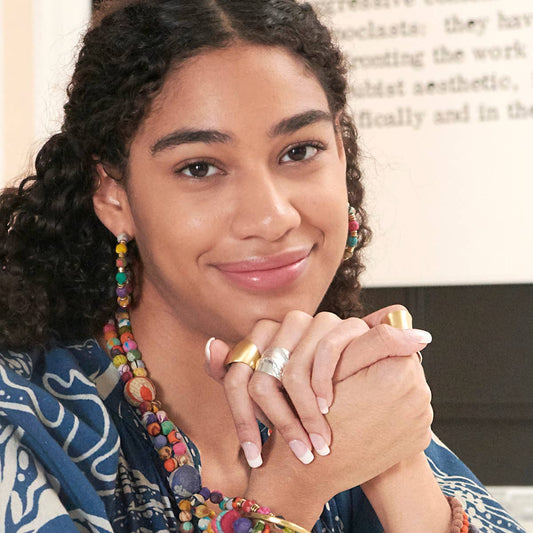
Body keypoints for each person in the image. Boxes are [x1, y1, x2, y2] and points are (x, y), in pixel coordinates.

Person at [0, 1, 525, 532]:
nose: (272, 217)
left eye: (299, 151)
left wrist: (396, 466)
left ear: (342, 152)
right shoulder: (22, 422)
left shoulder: (346, 396)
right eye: (199, 168)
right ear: (113, 195)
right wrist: (296, 486)